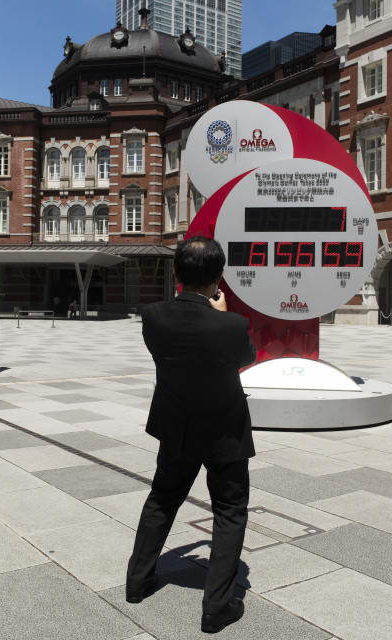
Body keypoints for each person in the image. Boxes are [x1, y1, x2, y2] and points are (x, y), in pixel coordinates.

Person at [126, 236, 255, 634]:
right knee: (229, 511)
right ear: (219, 277)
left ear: (176, 273)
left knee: (163, 499)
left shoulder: (153, 316)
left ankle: (138, 581)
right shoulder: (232, 324)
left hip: (176, 426)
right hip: (224, 431)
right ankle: (216, 607)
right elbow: (245, 358)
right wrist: (221, 313)